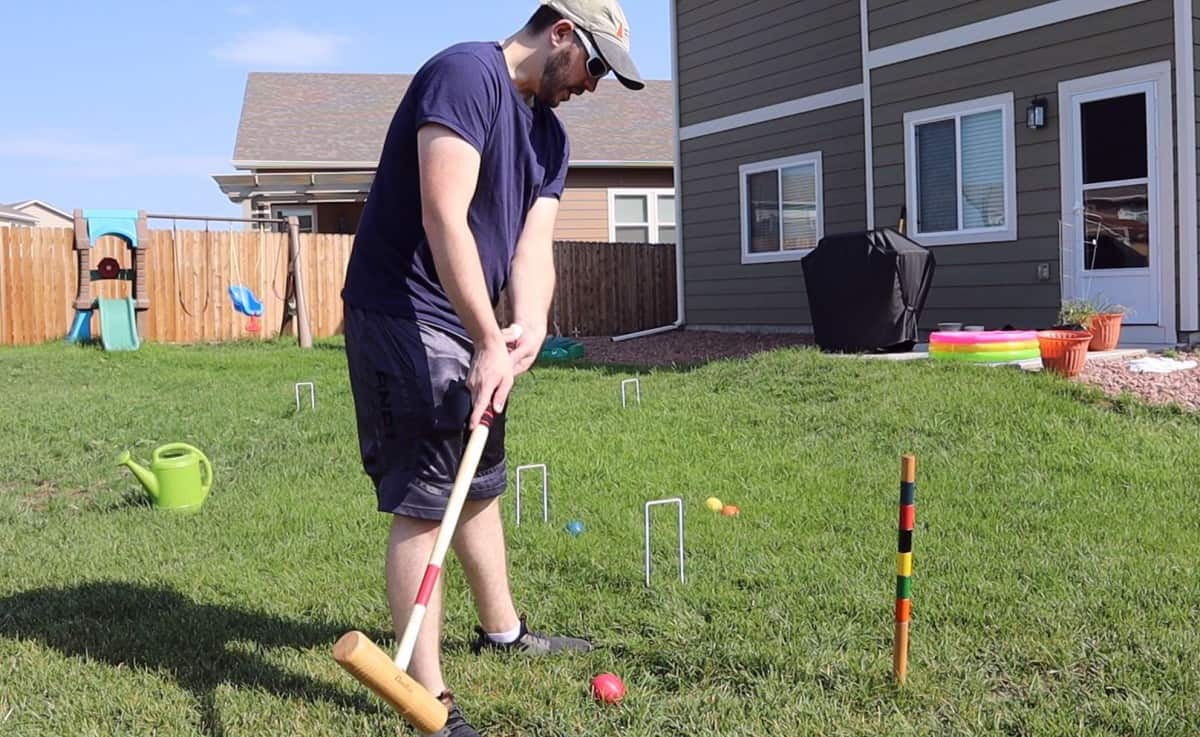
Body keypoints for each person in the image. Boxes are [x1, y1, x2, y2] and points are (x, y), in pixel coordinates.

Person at [340, 1, 644, 735]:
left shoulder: (549, 136)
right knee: (426, 492)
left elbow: (532, 246)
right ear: (562, 33)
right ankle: (428, 694)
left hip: (470, 318)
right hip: (404, 308)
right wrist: (484, 333)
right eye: (594, 65)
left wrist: (529, 322)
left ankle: (503, 631)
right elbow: (444, 213)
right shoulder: (464, 76)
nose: (594, 84)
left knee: (475, 476)